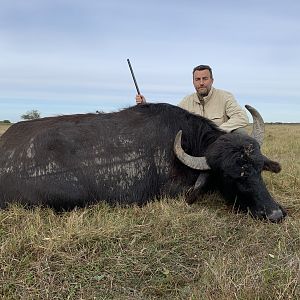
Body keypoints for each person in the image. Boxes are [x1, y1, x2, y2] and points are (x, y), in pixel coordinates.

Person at [135, 65, 249, 133]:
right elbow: (169, 117)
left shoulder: (225, 97)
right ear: (193, 82)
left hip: (219, 144)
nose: (201, 83)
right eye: (197, 79)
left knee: (241, 133)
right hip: (196, 147)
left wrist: (217, 131)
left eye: (205, 79)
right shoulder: (187, 101)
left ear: (212, 80)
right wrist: (146, 105)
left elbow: (242, 118)